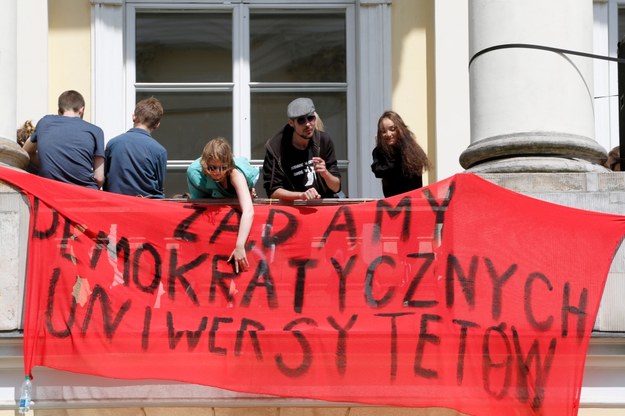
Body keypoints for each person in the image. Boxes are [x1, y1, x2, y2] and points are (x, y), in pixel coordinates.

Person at [186, 138, 259, 273]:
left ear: (229, 165)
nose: (218, 172)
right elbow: (200, 208)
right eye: (213, 167)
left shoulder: (236, 173)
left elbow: (248, 211)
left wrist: (240, 246)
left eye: (223, 167)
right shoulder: (195, 174)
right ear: (204, 164)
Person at [23, 90, 105, 189]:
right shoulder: (96, 131)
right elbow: (99, 177)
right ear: (81, 109)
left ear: (59, 110)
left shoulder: (45, 122)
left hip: (50, 192)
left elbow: (25, 151)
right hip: (84, 194)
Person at [262, 97, 341, 201]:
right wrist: (301, 196)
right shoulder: (275, 147)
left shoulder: (323, 141)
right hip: (292, 209)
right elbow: (273, 192)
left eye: (310, 118)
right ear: (291, 123)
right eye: (301, 120)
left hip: (323, 205)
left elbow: (336, 187)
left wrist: (325, 173)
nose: (307, 124)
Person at [104, 97, 167, 198]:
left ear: (134, 117)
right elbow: (159, 186)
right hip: (148, 207)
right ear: (157, 125)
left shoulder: (113, 144)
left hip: (116, 205)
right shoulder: (159, 151)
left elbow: (105, 180)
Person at [370, 110, 431, 197]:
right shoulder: (379, 152)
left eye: (392, 129)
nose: (388, 134)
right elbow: (378, 171)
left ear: (400, 129)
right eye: (383, 131)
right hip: (392, 204)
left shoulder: (411, 149)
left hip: (413, 202)